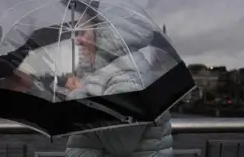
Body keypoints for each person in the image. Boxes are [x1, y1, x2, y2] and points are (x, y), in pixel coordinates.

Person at [64, 10, 174, 157]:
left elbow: (120, 142)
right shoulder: (110, 71)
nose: (78, 39)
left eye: (84, 32)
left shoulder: (128, 76)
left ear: (104, 35)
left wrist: (79, 96)